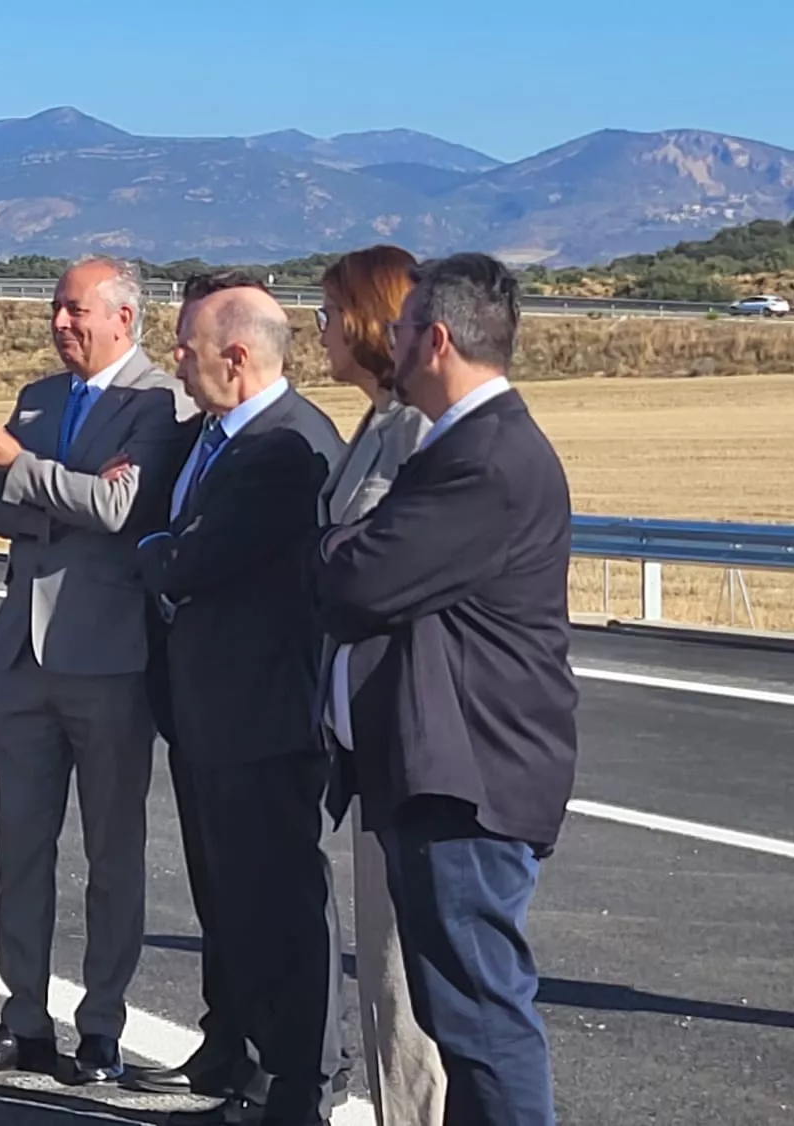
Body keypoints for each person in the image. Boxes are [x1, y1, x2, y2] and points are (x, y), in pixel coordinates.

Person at [316, 253, 577, 1126]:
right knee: (456, 1013)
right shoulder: (461, 445)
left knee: (479, 1016)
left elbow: (356, 581)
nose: (387, 343)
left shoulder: (484, 458)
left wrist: (327, 548)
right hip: (445, 767)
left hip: (470, 773)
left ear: (434, 339)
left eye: (399, 329)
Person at [0, 256, 196, 1085]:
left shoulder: (158, 401)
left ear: (124, 318)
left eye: (75, 310)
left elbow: (122, 509)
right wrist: (59, 499)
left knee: (111, 854)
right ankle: (23, 1018)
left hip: (108, 660)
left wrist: (21, 468)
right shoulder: (42, 397)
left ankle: (101, 1025)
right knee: (19, 847)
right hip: (20, 654)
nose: (61, 323)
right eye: (56, 309)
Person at [134, 283, 346, 1126]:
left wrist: (163, 552)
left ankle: (301, 1087)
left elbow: (192, 559)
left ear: (237, 355)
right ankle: (251, 1070)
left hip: (263, 712)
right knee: (235, 900)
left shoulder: (286, 446)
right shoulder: (222, 439)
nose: (175, 358)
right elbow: (176, 541)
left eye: (186, 346)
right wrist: (169, 548)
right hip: (209, 708)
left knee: (283, 903)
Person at [313, 246, 444, 1125]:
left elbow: (385, 567)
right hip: (360, 732)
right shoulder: (375, 423)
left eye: (329, 314)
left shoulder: (418, 433)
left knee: (407, 971)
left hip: (405, 728)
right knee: (383, 968)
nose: (318, 330)